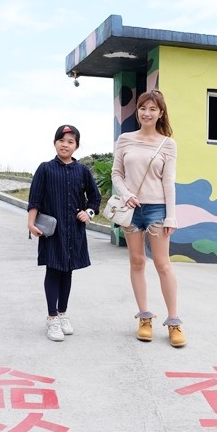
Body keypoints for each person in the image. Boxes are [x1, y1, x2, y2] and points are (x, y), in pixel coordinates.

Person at [111, 90, 185, 347]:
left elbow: (169, 182)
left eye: (153, 109)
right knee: (137, 262)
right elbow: (116, 174)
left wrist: (171, 217)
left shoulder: (168, 144)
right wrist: (126, 194)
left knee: (163, 265)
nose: (147, 113)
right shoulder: (125, 139)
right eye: (143, 108)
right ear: (138, 111)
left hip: (157, 210)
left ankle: (174, 322)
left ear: (160, 113)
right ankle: (144, 317)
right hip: (131, 210)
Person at [28, 124, 101, 342]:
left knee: (67, 271)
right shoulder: (45, 168)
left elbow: (95, 199)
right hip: (52, 232)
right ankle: (52, 319)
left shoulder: (82, 171)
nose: (65, 144)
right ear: (55, 143)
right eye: (62, 140)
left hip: (74, 231)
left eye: (70, 142)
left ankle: (62, 314)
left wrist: (88, 212)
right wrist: (31, 224)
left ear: (76, 146)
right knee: (53, 270)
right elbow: (35, 199)